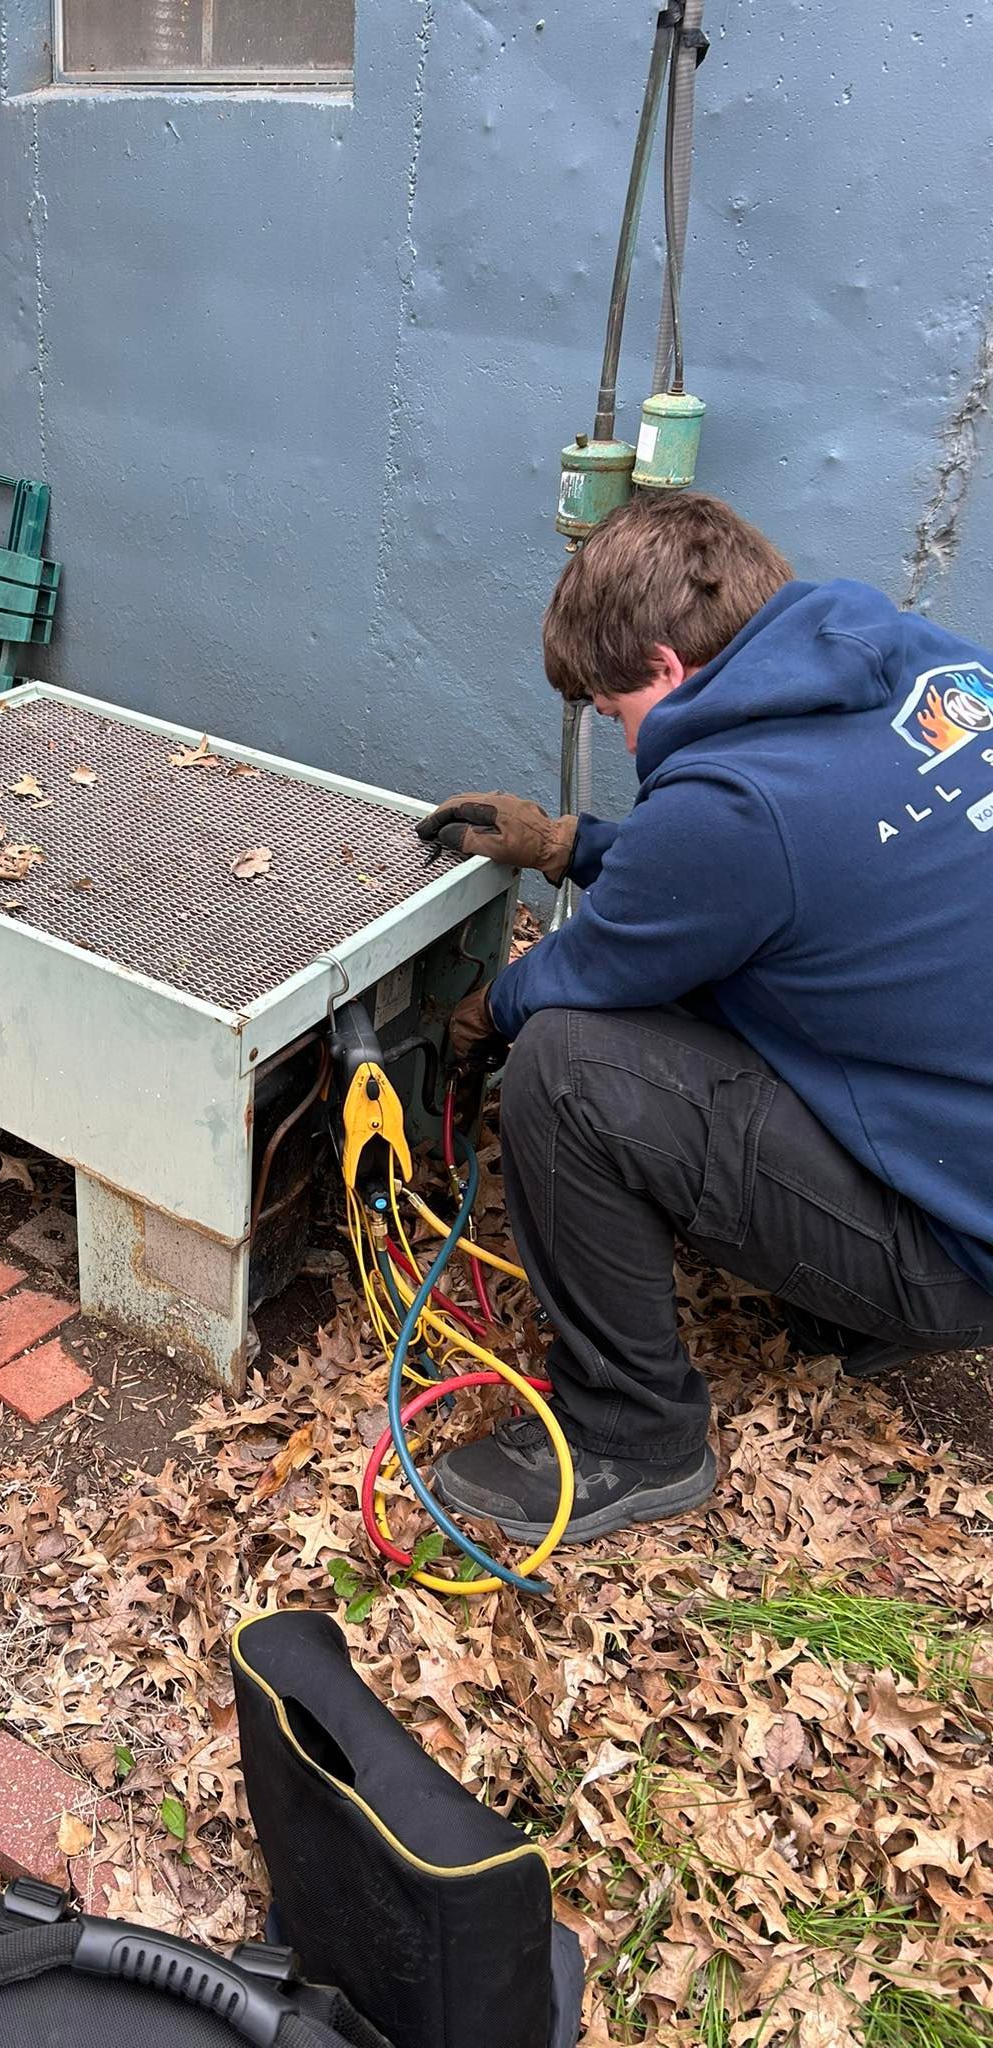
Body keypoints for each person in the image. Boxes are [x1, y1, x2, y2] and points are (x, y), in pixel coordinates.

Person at [414, 492, 993, 1546]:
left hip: (955, 1248)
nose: (614, 727)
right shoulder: (919, 661)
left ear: (670, 669)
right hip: (968, 1152)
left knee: (564, 1063)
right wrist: (569, 843)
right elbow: (779, 865)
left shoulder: (737, 812)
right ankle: (844, 1303)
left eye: (610, 705)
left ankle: (630, 1436)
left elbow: (595, 960)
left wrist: (481, 1016)